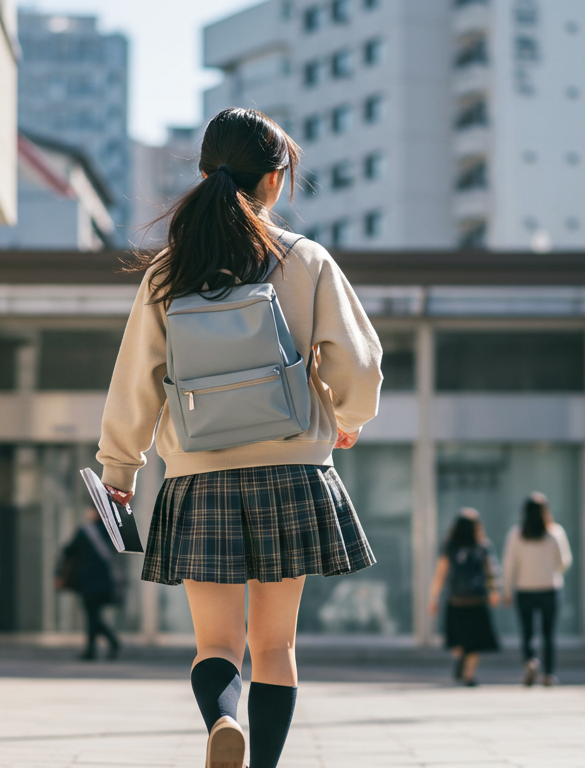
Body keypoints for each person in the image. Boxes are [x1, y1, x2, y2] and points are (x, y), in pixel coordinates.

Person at [97, 108, 383, 768]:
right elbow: (359, 363)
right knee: (275, 645)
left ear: (205, 174)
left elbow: (136, 380)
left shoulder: (167, 274)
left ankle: (224, 720)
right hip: (292, 474)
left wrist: (119, 468)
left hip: (199, 479)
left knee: (217, 643)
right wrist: (349, 417)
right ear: (276, 180)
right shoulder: (304, 259)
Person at [501, 492, 573, 687]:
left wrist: (507, 590)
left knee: (527, 632)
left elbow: (509, 564)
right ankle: (549, 674)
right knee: (549, 634)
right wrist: (553, 572)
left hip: (525, 588)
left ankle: (530, 661)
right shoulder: (555, 533)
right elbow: (565, 561)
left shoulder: (516, 534)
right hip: (550, 588)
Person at [427, 509, 501, 686]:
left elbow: (440, 574)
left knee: (459, 638)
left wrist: (433, 598)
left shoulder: (450, 547)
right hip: (476, 599)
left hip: (456, 600)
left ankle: (461, 657)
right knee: (475, 642)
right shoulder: (482, 546)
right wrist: (494, 591)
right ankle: (469, 675)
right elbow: (492, 571)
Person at [56, 507, 122, 661]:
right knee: (94, 615)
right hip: (106, 580)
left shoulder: (86, 531)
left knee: (92, 615)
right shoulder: (112, 530)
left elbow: (69, 550)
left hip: (88, 580)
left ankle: (102, 645)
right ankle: (95, 648)